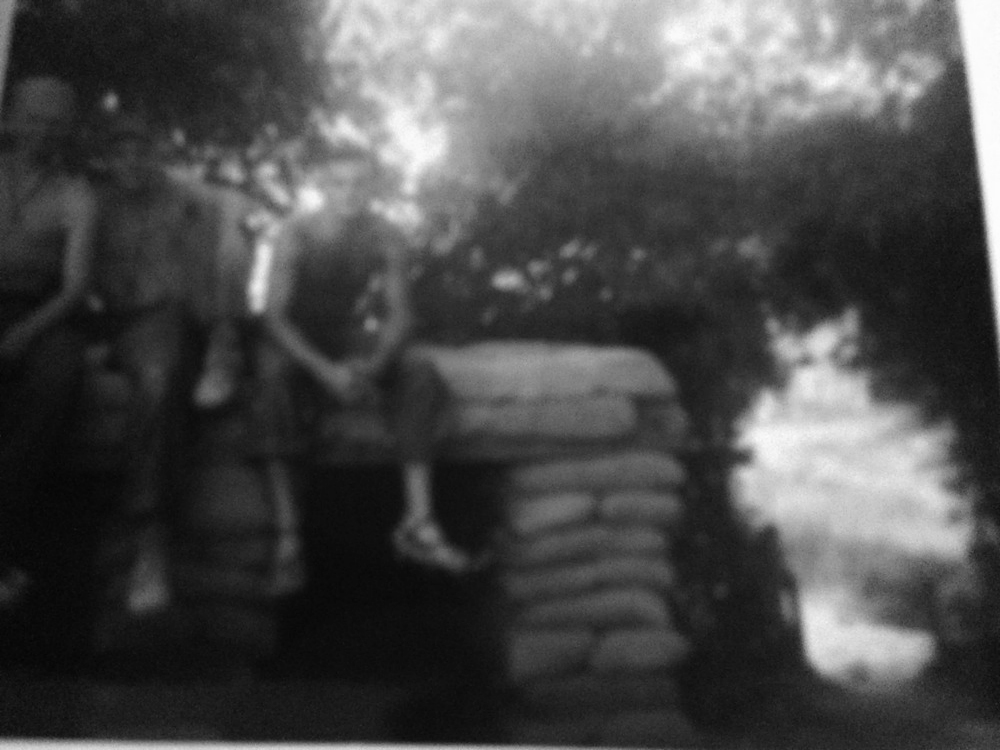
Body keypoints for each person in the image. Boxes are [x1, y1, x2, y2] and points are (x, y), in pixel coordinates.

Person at [251, 127, 478, 574]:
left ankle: (419, 521)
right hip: (293, 334)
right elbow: (274, 317)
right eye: (338, 183)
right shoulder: (297, 232)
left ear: (371, 186)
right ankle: (288, 534)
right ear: (321, 185)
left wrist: (373, 367)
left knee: (418, 370)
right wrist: (325, 373)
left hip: (343, 331)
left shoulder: (383, 234)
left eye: (358, 183)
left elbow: (401, 315)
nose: (349, 193)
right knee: (271, 383)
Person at [92, 114, 254, 619]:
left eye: (141, 149)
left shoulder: (185, 196)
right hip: (117, 323)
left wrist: (232, 223)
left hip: (175, 319)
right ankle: (150, 541)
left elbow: (235, 204)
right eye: (120, 151)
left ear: (157, 153)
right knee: (156, 378)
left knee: (228, 246)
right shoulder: (94, 202)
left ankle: (224, 344)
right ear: (106, 158)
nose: (131, 161)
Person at [0, 76, 98, 609]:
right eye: (34, 119)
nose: (44, 131)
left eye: (56, 123)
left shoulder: (75, 195)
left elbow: (75, 287)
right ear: (10, 119)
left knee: (58, 374)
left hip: (40, 310)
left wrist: (24, 333)